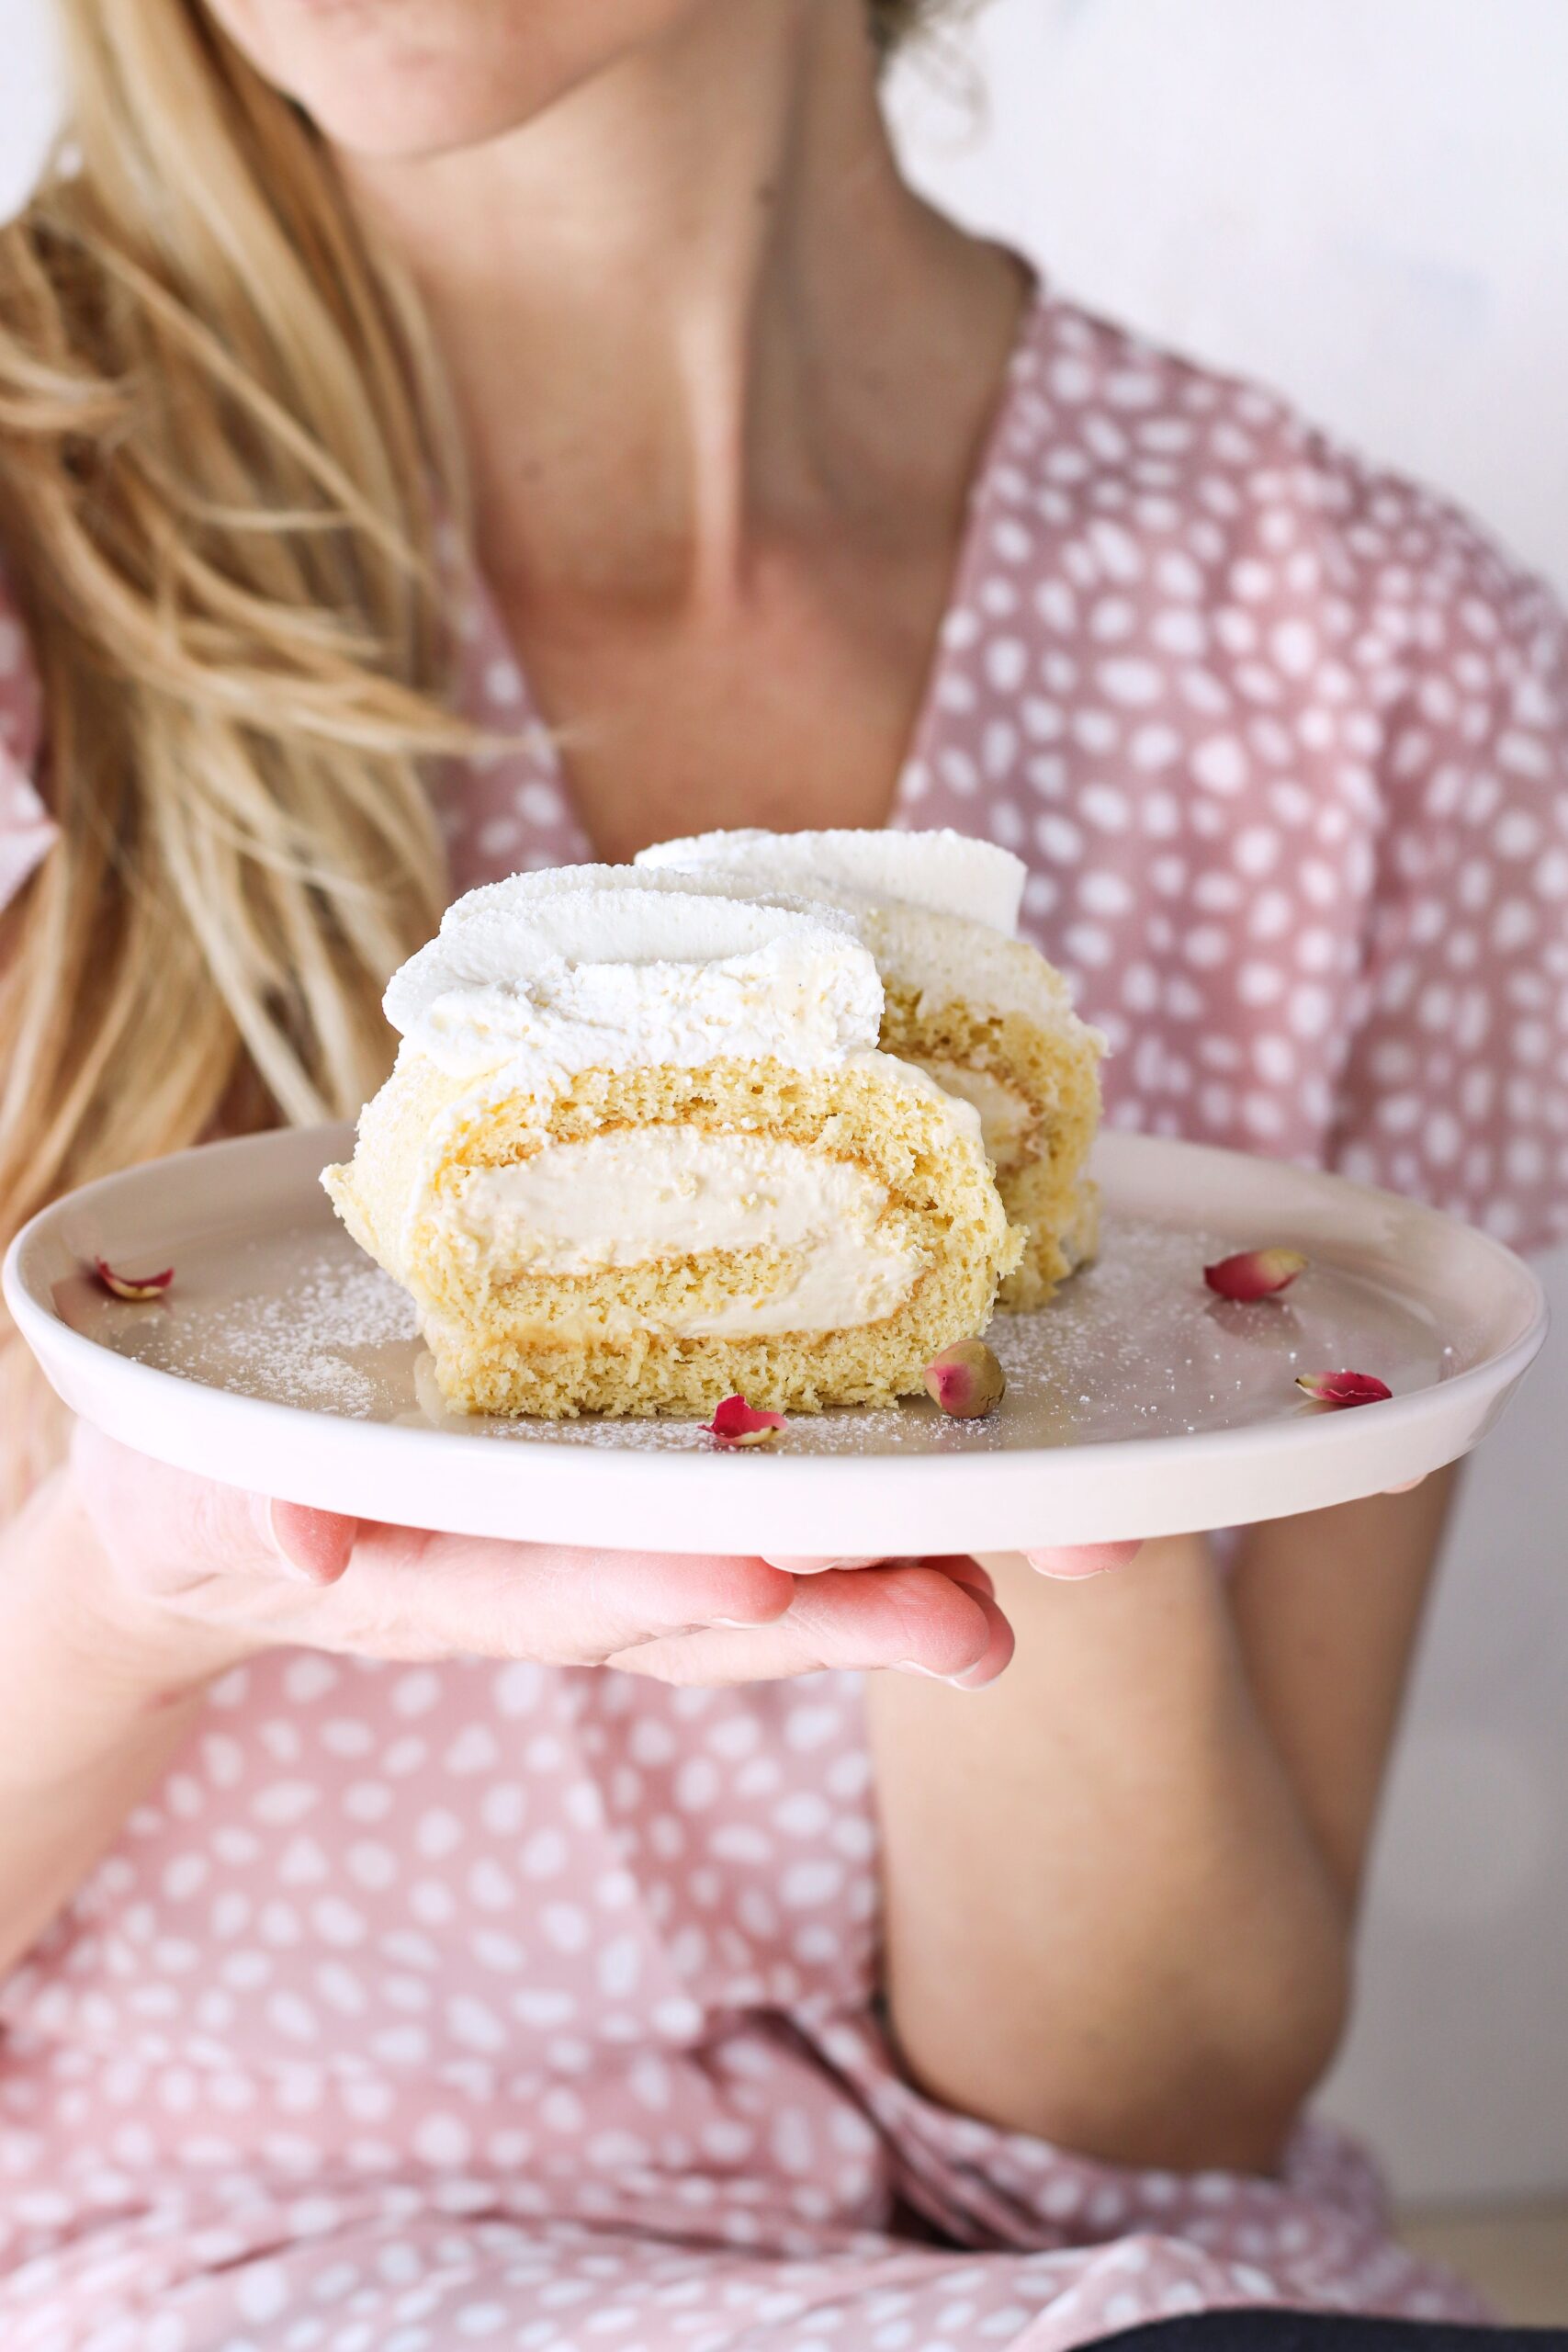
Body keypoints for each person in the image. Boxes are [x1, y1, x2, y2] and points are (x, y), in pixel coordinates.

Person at [0, 3, 1564, 2346]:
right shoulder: (51, 562)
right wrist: (130, 1581)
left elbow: (1153, 2094)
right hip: (242, 2269)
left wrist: (1049, 1373)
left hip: (1112, 2286)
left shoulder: (1374, 673)